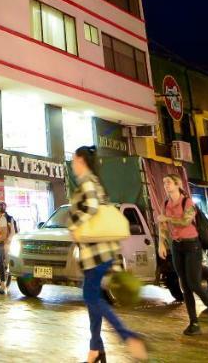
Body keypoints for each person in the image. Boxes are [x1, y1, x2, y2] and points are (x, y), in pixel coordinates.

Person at [68, 146, 147, 363]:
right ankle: (96, 349)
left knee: (90, 297)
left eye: (74, 159)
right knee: (94, 300)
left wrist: (74, 226)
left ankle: (128, 336)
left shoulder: (87, 181)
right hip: (100, 251)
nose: (73, 163)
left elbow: (91, 207)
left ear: (81, 160)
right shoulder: (95, 181)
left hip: (96, 252)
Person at [157, 173, 208, 336]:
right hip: (177, 246)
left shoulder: (188, 202)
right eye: (164, 183)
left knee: (194, 284)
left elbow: (185, 221)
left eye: (169, 182)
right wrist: (161, 243)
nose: (166, 185)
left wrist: (167, 218)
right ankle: (194, 322)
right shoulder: (166, 203)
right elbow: (162, 225)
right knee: (184, 286)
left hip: (192, 245)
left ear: (178, 184)